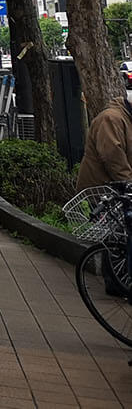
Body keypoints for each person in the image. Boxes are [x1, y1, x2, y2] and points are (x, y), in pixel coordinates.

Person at [74, 89, 132, 296]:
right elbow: (112, 157)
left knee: (120, 232)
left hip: (116, 187)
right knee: (116, 234)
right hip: (103, 188)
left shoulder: (125, 118)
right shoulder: (111, 119)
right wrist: (129, 183)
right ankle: (116, 284)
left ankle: (121, 281)